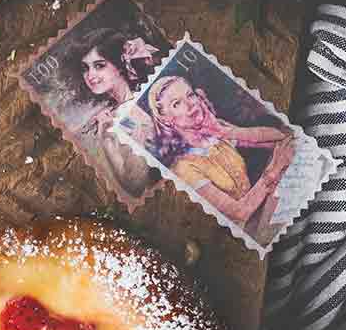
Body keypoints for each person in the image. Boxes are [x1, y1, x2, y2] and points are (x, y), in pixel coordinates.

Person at [118, 71, 295, 248]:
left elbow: (279, 138)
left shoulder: (213, 130)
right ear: (165, 118)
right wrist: (273, 170)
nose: (190, 105)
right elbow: (240, 213)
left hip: (264, 210)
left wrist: (225, 131)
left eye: (190, 95)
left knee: (295, 146)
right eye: (177, 103)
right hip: (243, 238)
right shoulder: (183, 168)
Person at [69, 26, 164, 199]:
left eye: (99, 66)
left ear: (120, 66)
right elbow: (132, 185)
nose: (90, 75)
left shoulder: (135, 114)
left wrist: (107, 142)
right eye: (85, 68)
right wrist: (105, 139)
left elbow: (136, 185)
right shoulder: (115, 112)